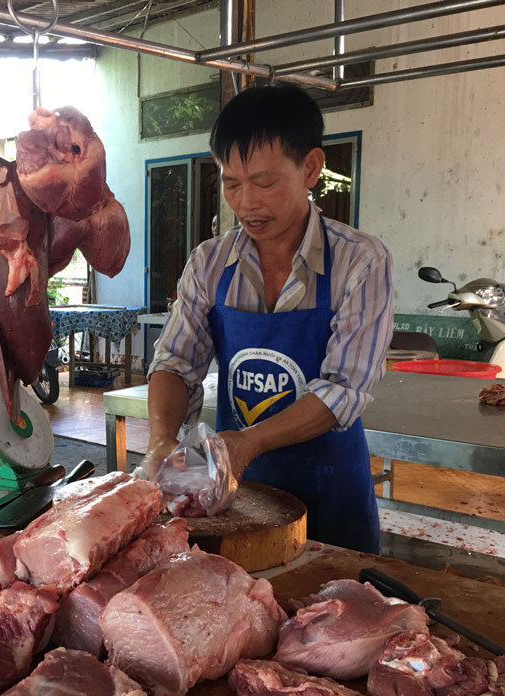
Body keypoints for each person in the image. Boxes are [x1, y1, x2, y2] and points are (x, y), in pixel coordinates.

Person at [144, 85, 394, 553]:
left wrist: (248, 443)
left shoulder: (360, 261)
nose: (246, 203)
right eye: (231, 184)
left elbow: (344, 389)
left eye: (263, 182)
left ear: (311, 168)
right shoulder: (209, 263)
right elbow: (176, 363)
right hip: (235, 500)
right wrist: (161, 439)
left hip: (331, 489)